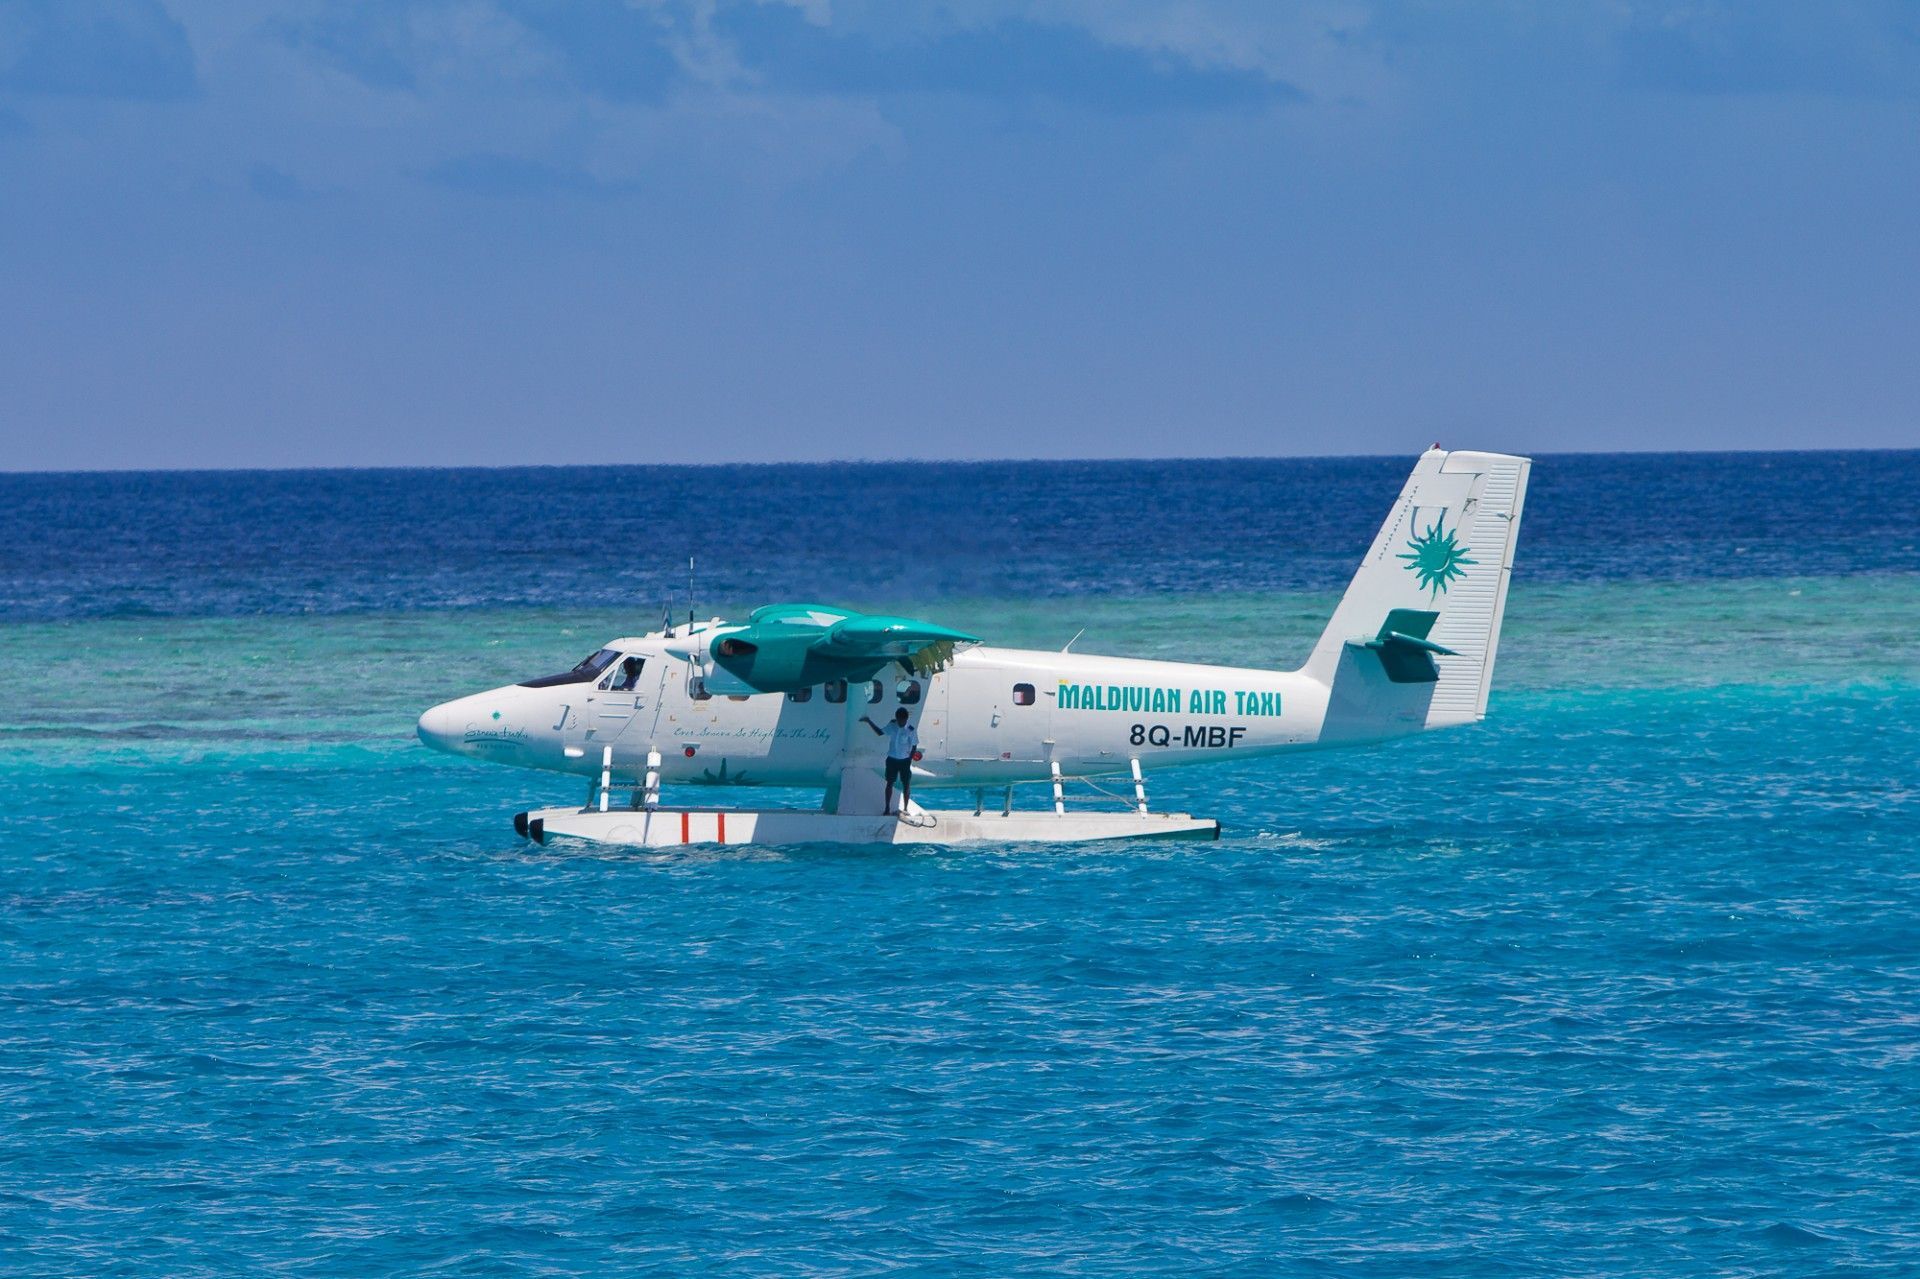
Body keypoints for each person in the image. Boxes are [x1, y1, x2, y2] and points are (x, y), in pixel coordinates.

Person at [860, 707, 918, 817]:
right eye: (899, 720)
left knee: (906, 784)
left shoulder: (910, 730)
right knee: (889, 783)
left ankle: (905, 808)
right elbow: (879, 732)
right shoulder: (892, 726)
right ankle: (887, 808)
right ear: (897, 718)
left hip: (904, 760)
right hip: (892, 759)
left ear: (906, 719)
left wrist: (909, 759)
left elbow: (914, 745)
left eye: (903, 721)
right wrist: (869, 721)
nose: (901, 723)